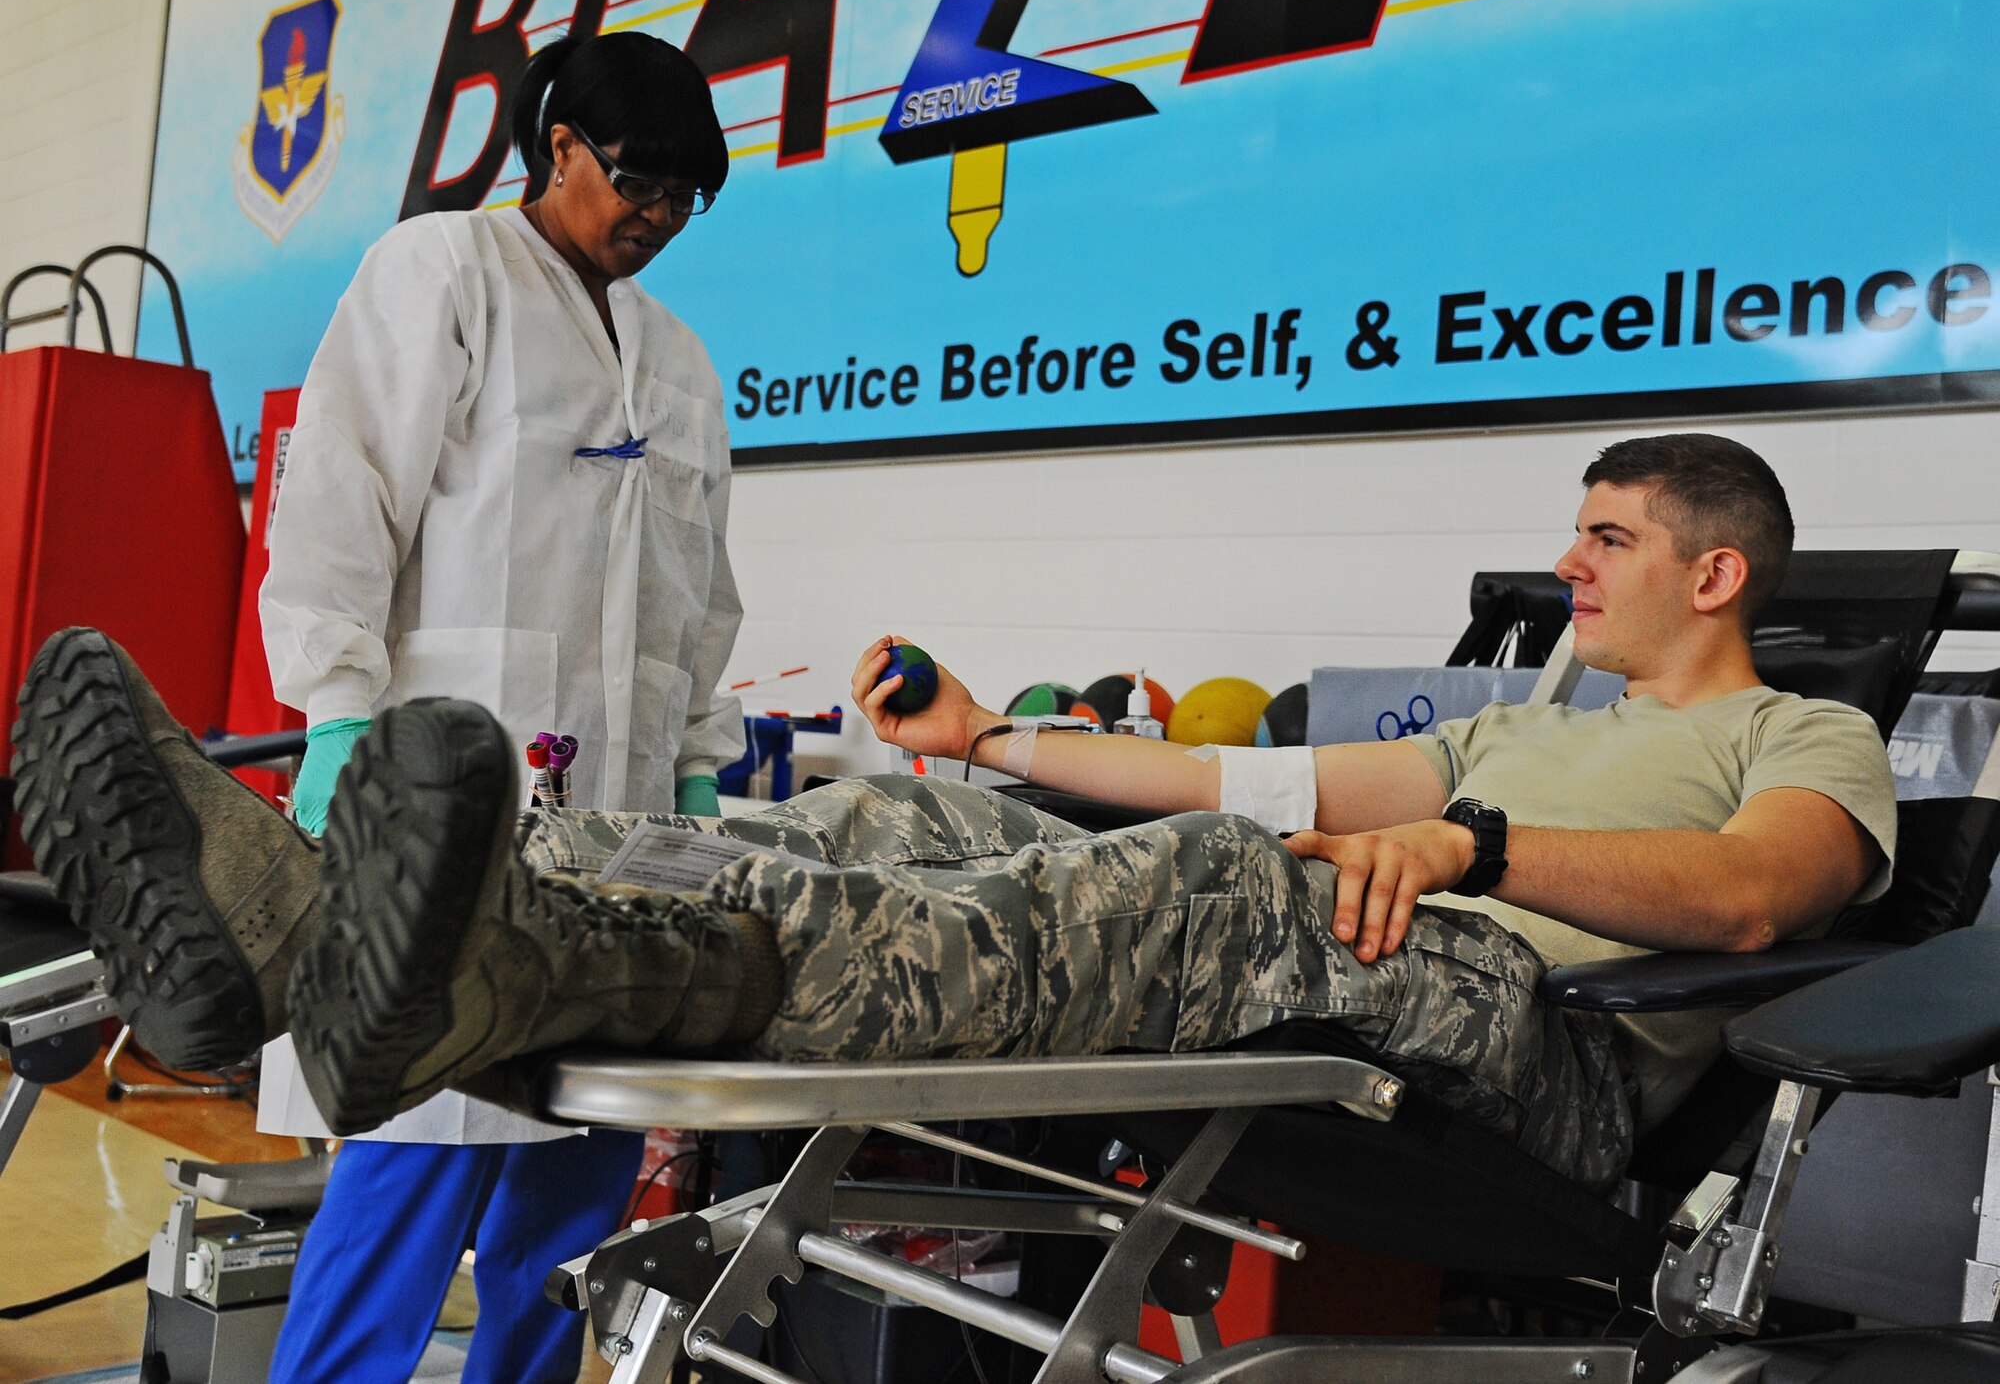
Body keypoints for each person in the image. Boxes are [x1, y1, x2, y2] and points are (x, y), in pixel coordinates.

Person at [13, 434, 1895, 1206]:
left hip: (1546, 1052)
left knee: (1219, 889)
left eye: (1611, 538)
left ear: (1717, 572)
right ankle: (338, 930)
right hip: (1396, 936)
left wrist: (1480, 852)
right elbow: (1255, 780)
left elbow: (1750, 905)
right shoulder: (1523, 721)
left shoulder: (1811, 735)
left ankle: (485, 963)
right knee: (909, 831)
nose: (1570, 563)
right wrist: (995, 735)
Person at [51, 31, 740, 1384]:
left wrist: (701, 770)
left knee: (576, 1198)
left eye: (683, 200)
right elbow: (339, 506)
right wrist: (341, 714)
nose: (655, 219)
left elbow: (698, 594)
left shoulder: (680, 361)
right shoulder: (444, 274)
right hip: (445, 825)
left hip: (617, 843)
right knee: (419, 1161)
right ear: (559, 149)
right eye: (638, 183)